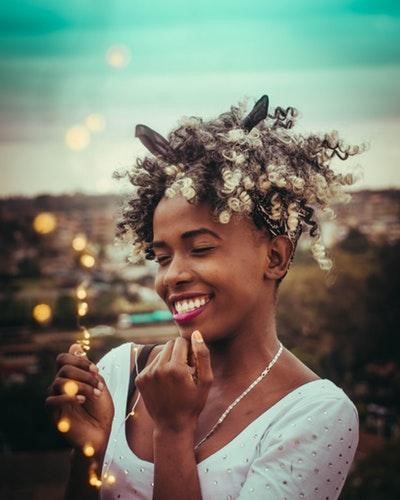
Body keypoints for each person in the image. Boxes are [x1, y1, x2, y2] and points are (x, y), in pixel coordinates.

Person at [46, 95, 362, 499]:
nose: (173, 275)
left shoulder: (315, 415)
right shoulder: (120, 375)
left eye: (200, 249)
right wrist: (92, 454)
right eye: (161, 257)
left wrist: (173, 430)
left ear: (275, 257)